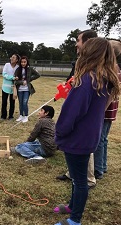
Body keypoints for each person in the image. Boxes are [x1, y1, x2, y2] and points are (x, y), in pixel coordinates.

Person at [54, 37, 120, 225]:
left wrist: (61, 131)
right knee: (76, 176)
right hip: (88, 136)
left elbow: (73, 112)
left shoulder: (87, 80)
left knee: (80, 180)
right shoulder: (103, 80)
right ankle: (72, 206)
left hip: (77, 137)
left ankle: (75, 219)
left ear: (89, 53)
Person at [56, 29, 98, 189]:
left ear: (87, 42)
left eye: (78, 40)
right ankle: (72, 173)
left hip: (84, 111)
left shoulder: (93, 65)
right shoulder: (82, 61)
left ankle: (88, 179)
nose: (76, 44)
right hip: (76, 104)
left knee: (83, 143)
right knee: (75, 140)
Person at [94, 40, 121, 179]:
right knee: (103, 139)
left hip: (105, 109)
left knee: (99, 139)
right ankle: (102, 166)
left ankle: (98, 169)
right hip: (110, 110)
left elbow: (110, 94)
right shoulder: (115, 67)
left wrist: (101, 109)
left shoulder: (111, 68)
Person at [14, 56, 40, 123]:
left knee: (25, 103)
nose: (23, 63)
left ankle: (26, 116)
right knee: (20, 103)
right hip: (19, 89)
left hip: (27, 89)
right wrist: (21, 82)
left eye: (24, 62)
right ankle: (21, 115)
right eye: (22, 62)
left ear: (27, 62)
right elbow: (15, 81)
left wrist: (29, 80)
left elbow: (38, 75)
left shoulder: (30, 69)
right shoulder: (18, 70)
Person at [0, 53, 20, 121]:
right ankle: (3, 116)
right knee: (4, 102)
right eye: (11, 57)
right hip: (5, 87)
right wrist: (12, 78)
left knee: (12, 102)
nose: (12, 58)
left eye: (14, 57)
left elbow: (18, 76)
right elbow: (4, 74)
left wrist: (16, 78)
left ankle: (11, 116)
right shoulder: (7, 65)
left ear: (17, 60)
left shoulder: (17, 67)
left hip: (13, 88)